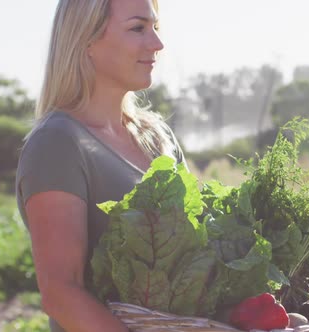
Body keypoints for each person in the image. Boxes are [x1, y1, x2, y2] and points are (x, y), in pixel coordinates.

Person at [15, 0, 186, 331]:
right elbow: (61, 293)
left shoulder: (158, 136)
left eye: (155, 27)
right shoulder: (58, 143)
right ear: (86, 38)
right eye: (138, 28)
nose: (157, 44)